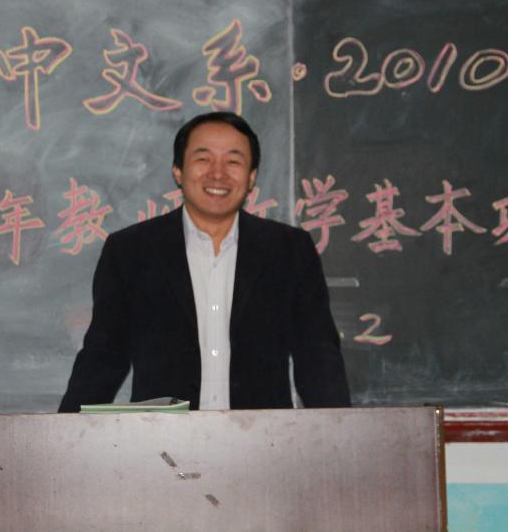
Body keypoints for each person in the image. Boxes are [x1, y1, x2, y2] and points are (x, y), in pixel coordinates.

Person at [58, 112, 350, 411]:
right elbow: (104, 356)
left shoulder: (289, 250)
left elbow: (317, 355)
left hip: (263, 436)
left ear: (251, 177)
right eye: (203, 159)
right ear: (178, 171)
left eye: (233, 161)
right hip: (161, 436)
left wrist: (341, 428)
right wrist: (67, 430)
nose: (218, 173)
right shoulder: (130, 251)